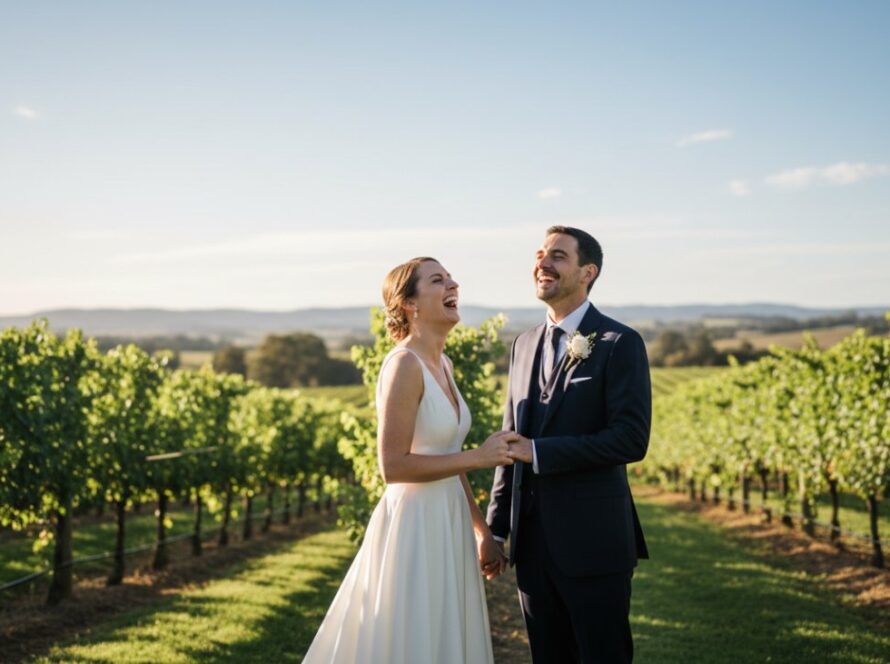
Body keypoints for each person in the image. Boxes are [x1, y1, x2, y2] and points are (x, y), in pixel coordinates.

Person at [303, 256, 515, 664]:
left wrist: (480, 530)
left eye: (451, 278)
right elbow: (393, 467)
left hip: (449, 519)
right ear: (410, 304)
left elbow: (447, 459)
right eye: (438, 280)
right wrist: (480, 456)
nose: (453, 284)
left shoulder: (445, 365)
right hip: (415, 527)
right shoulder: (403, 365)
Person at [487, 226, 652, 663]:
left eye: (557, 255)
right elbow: (510, 443)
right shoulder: (522, 345)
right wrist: (495, 528)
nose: (542, 262)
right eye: (540, 253)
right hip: (532, 547)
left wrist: (539, 453)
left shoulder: (621, 343)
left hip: (594, 542)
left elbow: (631, 439)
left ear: (587, 272)